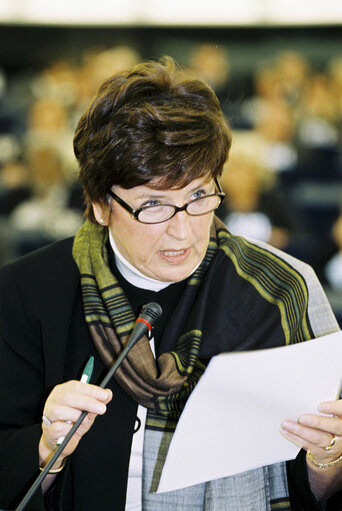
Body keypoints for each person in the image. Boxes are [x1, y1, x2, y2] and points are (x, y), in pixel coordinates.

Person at [0, 56, 342, 511]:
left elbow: (314, 484)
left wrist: (328, 459)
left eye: (199, 196)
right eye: (153, 206)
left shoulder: (282, 288)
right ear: (101, 204)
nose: (183, 231)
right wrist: (45, 449)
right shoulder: (29, 290)